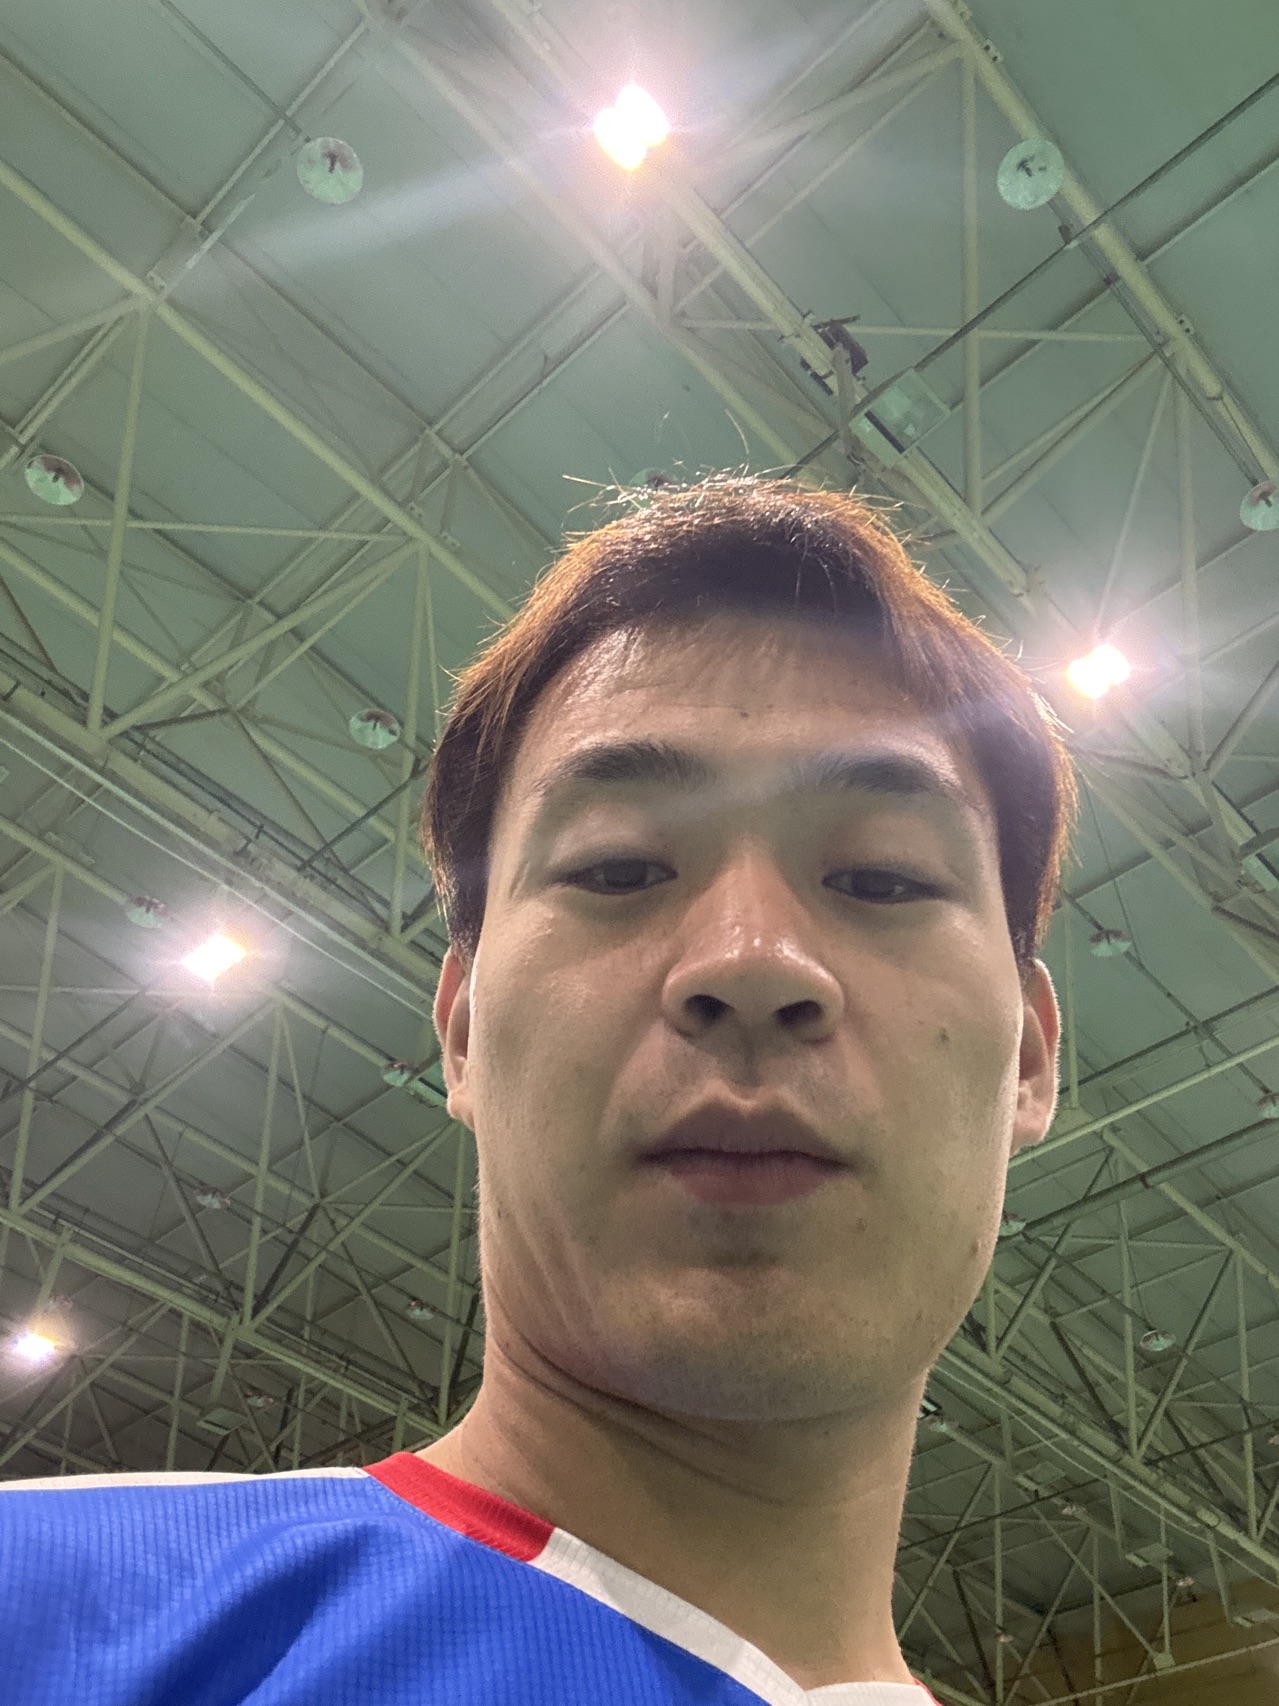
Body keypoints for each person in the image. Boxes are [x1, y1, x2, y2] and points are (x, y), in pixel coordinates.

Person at [2, 477, 1072, 1705]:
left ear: (1029, 1056)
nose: (751, 959)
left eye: (881, 878)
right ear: (461, 1029)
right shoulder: (59, 1613)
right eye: (618, 867)